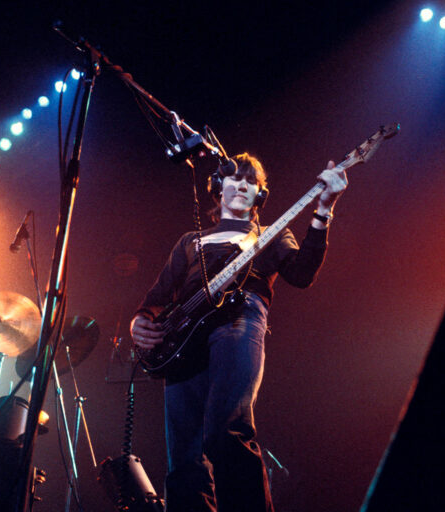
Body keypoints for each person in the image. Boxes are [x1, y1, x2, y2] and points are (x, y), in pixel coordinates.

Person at [130, 153, 348, 511]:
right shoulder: (191, 241)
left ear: (260, 194)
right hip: (182, 339)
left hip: (239, 318)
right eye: (235, 178)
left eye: (252, 181)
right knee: (183, 458)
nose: (243, 185)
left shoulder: (272, 235)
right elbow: (158, 295)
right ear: (217, 186)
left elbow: (302, 274)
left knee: (224, 431)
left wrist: (324, 209)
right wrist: (141, 319)